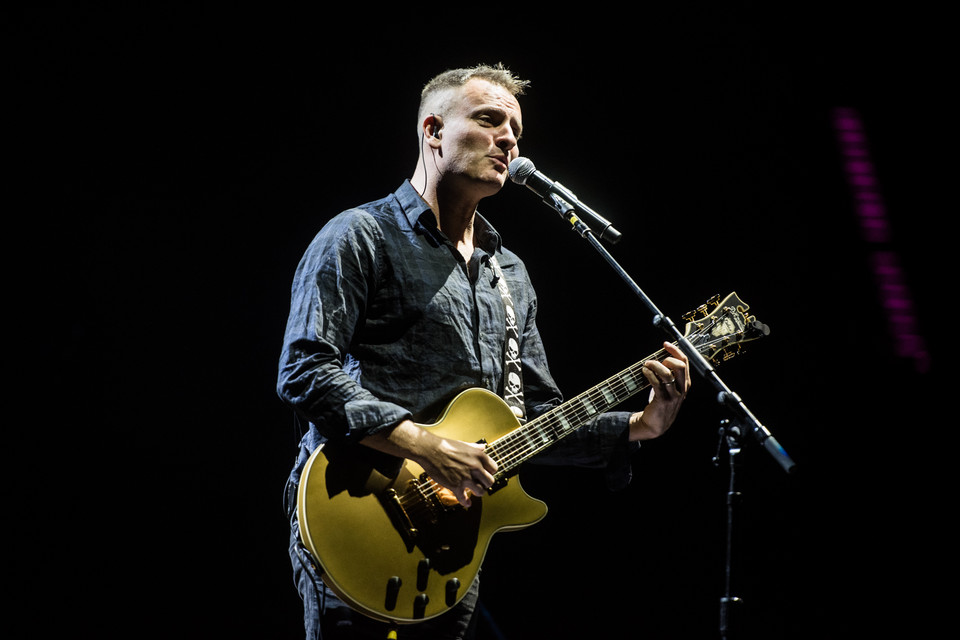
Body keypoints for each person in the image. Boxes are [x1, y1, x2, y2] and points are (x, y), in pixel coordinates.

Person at [277, 63, 690, 640]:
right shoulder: (359, 234)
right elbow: (304, 371)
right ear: (433, 131)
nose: (508, 141)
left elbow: (535, 419)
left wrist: (641, 425)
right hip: (357, 515)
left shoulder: (510, 273)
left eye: (515, 132)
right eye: (489, 120)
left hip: (449, 549)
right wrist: (427, 445)